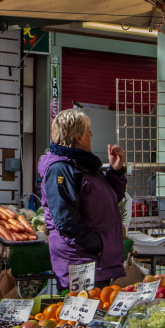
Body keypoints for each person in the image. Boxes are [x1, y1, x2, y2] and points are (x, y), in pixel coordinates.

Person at [37, 108, 127, 292]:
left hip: (97, 259)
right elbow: (65, 218)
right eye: (88, 130)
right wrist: (97, 244)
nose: (92, 134)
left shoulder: (84, 166)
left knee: (96, 312)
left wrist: (115, 171)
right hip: (82, 260)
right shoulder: (60, 169)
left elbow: (108, 202)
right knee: (83, 316)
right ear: (78, 137)